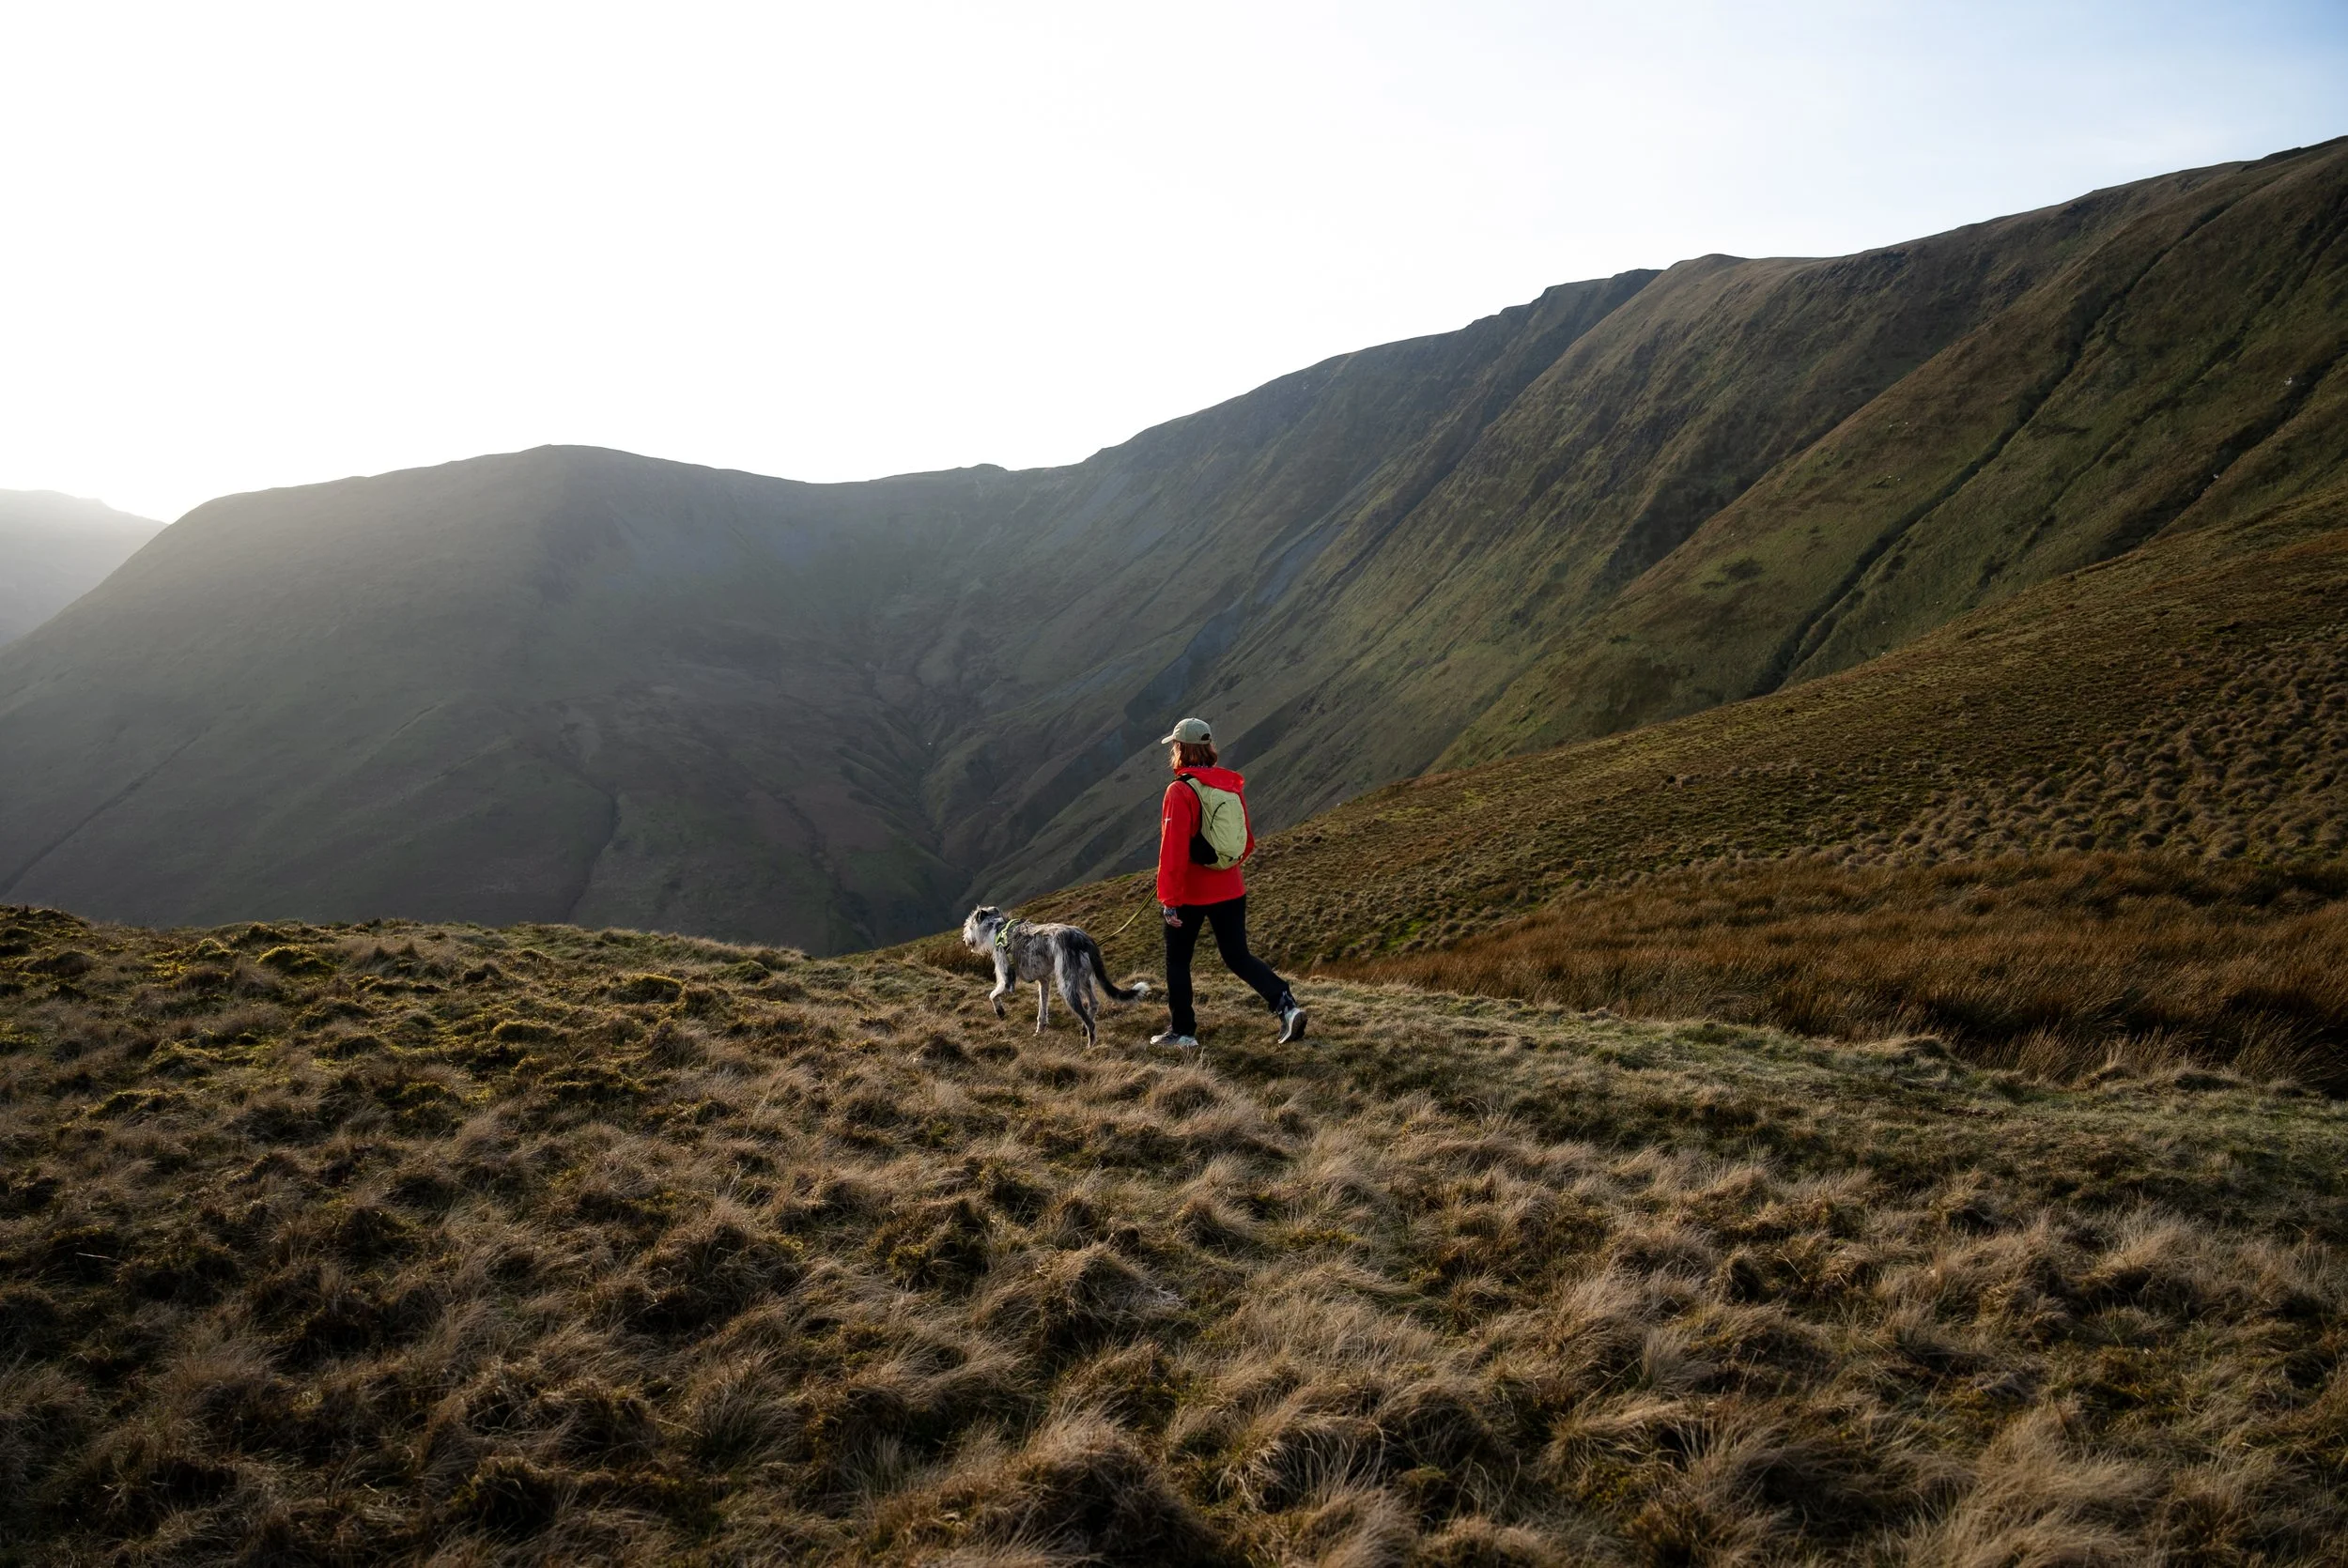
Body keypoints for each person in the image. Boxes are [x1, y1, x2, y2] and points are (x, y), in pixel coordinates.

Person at [1150, 716, 1307, 1048]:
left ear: (1180, 749)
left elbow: (1173, 850)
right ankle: (1286, 1006)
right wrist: (1226, 868)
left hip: (1192, 894)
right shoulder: (1228, 784)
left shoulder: (1179, 790)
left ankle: (1183, 1032)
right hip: (1231, 888)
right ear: (1208, 748)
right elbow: (1245, 839)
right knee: (1238, 957)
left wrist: (1169, 899)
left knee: (1178, 961)